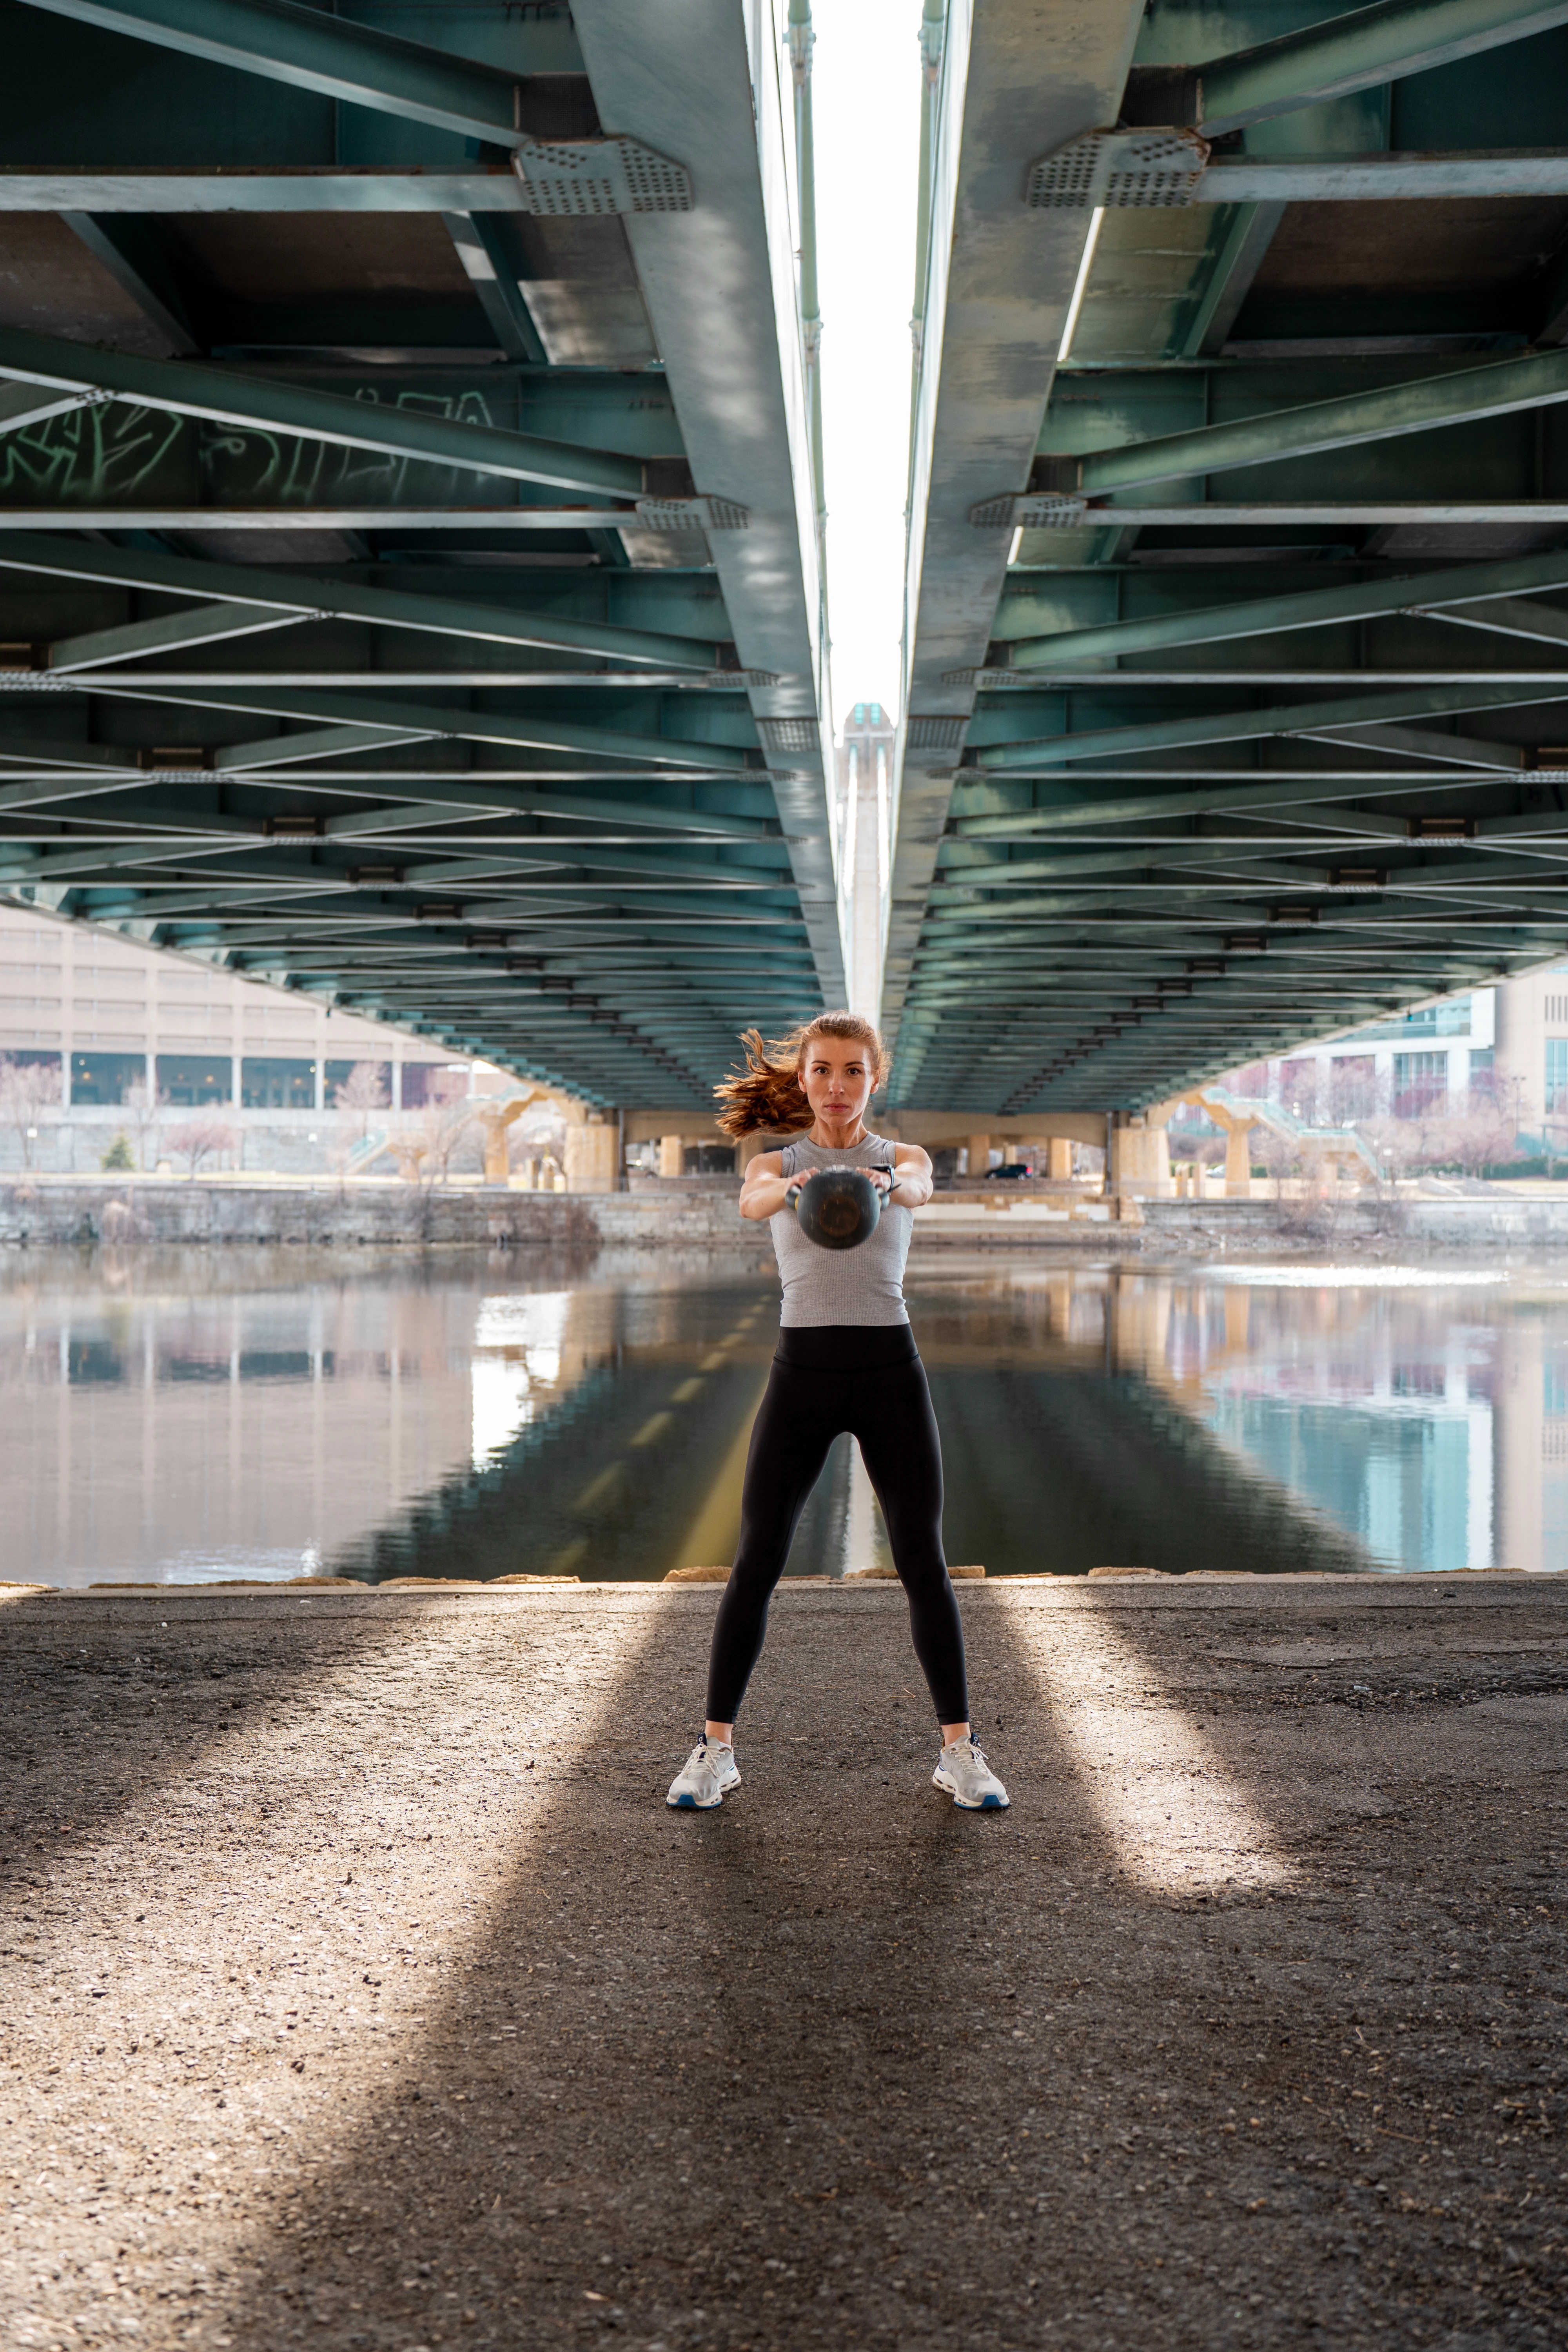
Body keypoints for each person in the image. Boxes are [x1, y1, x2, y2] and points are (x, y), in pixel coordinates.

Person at [666, 1011, 1009, 1813]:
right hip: (802, 1375)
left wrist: (890, 1186)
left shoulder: (902, 1161)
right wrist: (792, 1189)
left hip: (890, 1371)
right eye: (821, 1070)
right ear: (802, 1079)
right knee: (756, 1559)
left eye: (852, 1071)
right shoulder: (772, 1163)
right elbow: (752, 1203)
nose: (835, 1086)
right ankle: (713, 1751)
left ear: (873, 1081)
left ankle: (959, 1753)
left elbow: (923, 1187)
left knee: (922, 1558)